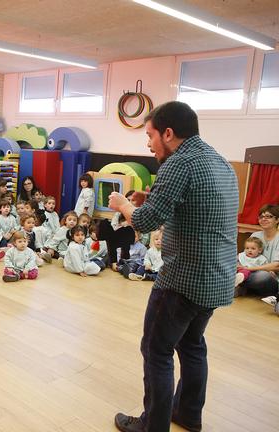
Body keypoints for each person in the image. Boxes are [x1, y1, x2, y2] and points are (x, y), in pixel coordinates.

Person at [110, 101, 238, 432]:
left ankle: (152, 426)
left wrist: (123, 205)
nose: (148, 144)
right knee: (192, 346)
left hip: (183, 279)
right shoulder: (219, 161)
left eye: (150, 135)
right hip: (217, 278)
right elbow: (196, 207)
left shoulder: (178, 163)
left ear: (168, 133)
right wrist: (150, 197)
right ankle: (188, 415)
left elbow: (145, 222)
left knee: (156, 350)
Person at [241, 204, 279, 300]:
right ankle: (243, 285)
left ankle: (243, 286)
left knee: (263, 276)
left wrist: (250, 268)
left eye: (268, 216)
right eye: (261, 216)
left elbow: (276, 266)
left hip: (272, 278)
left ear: (277, 220)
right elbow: (245, 256)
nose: (264, 219)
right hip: (251, 272)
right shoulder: (255, 235)